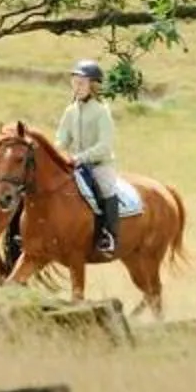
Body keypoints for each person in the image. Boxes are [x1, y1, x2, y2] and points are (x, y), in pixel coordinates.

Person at [58, 59, 122, 260]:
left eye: (81, 83)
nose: (76, 87)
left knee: (107, 189)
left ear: (93, 86)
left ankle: (108, 235)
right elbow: (62, 139)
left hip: (99, 165)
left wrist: (80, 157)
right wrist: (57, 153)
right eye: (74, 83)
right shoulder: (70, 111)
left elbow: (105, 146)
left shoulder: (102, 112)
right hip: (74, 165)